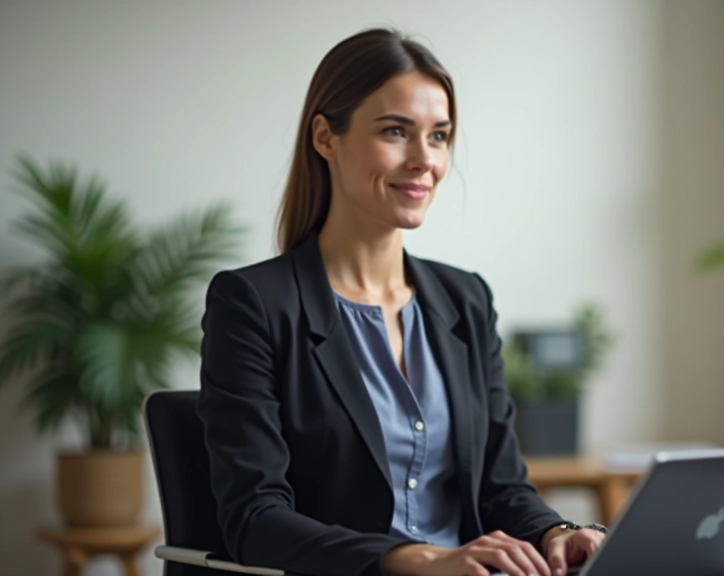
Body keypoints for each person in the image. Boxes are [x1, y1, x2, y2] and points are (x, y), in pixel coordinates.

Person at [197, 28, 606, 576]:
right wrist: (420, 560)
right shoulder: (252, 303)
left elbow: (501, 487)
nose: (424, 160)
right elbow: (256, 518)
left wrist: (557, 531)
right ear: (326, 137)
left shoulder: (466, 301)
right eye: (396, 131)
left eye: (438, 136)